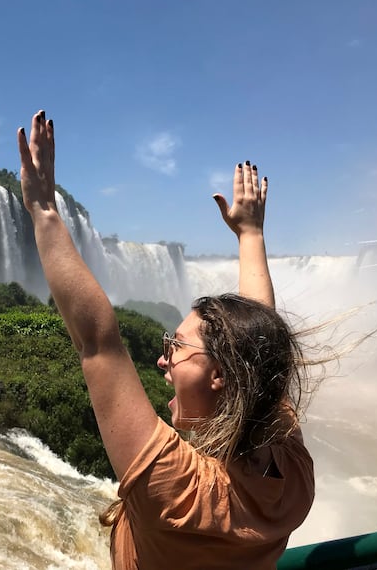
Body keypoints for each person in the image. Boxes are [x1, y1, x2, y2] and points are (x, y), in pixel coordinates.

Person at [18, 110, 314, 570]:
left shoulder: (182, 493)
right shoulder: (291, 473)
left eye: (175, 346)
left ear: (219, 376)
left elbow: (99, 341)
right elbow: (261, 346)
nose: (163, 361)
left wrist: (42, 210)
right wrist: (251, 235)